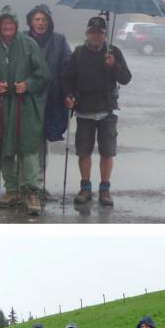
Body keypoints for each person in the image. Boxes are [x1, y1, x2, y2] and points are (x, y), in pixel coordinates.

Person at [0, 6, 50, 215]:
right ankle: (11, 190)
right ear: (0, 26)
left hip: (24, 107)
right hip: (1, 109)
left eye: (10, 23)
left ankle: (32, 192)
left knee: (28, 150)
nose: (7, 27)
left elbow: (43, 75)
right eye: (4, 24)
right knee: (5, 149)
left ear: (16, 26)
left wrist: (28, 85)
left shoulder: (29, 45)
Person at [62, 16, 132, 207]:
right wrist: (68, 95)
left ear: (105, 35)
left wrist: (113, 65)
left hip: (107, 111)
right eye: (92, 31)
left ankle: (104, 190)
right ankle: (85, 189)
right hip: (84, 110)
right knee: (83, 152)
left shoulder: (113, 52)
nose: (96, 35)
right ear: (87, 33)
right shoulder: (78, 54)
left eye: (99, 32)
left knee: (107, 152)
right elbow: (67, 78)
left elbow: (126, 78)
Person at [23, 4, 72, 199]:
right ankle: (25, 183)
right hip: (27, 100)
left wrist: (69, 93)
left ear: (49, 22)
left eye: (44, 19)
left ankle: (39, 184)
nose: (40, 23)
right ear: (31, 21)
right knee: (26, 144)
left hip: (51, 100)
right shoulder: (22, 39)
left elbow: (68, 69)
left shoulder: (59, 41)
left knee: (42, 144)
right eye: (37, 19)